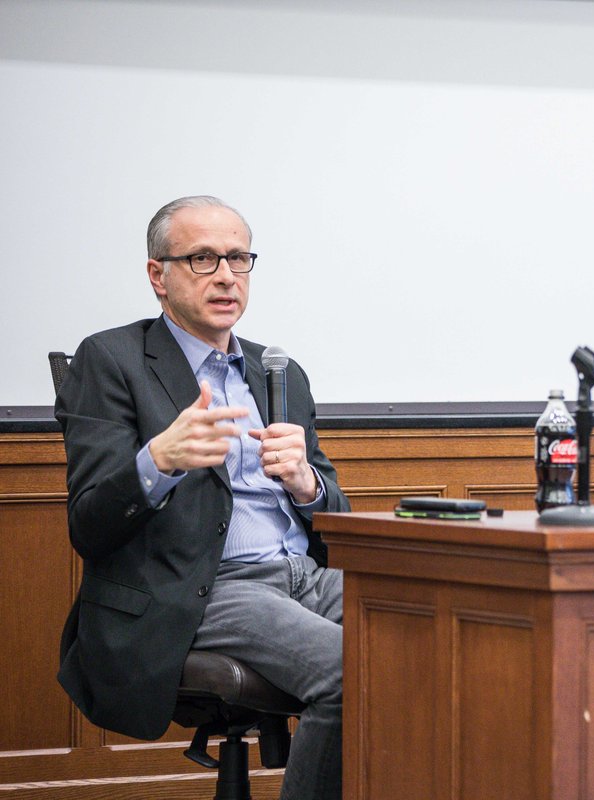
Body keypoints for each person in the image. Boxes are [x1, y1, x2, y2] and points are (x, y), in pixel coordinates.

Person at [55, 196, 350, 800]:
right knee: (352, 670)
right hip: (207, 588)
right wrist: (159, 460)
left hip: (309, 577)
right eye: (202, 258)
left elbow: (336, 521)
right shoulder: (111, 360)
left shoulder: (280, 371)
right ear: (158, 275)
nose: (225, 276)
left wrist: (307, 485)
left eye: (238, 258)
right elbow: (90, 524)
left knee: (444, 634)